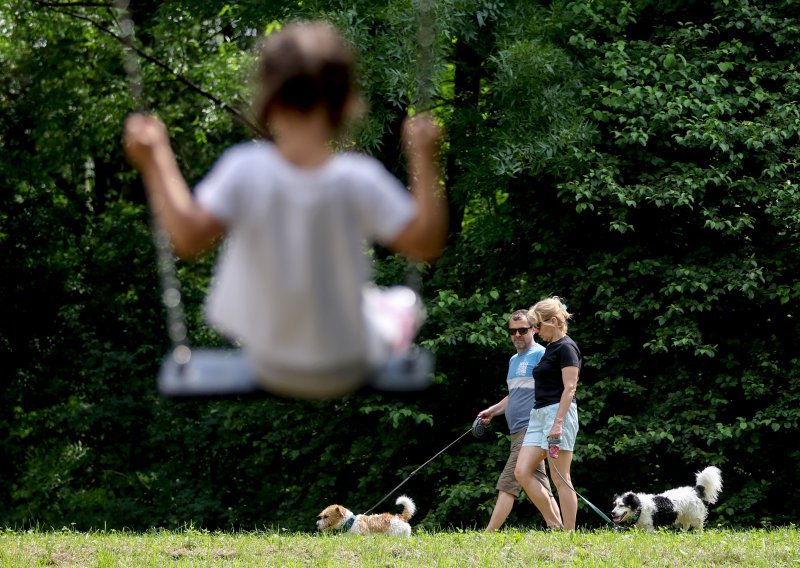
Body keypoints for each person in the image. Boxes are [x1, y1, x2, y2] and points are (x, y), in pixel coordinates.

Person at [123, 21, 447, 399]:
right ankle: (387, 316)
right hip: (349, 362)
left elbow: (189, 238)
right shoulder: (358, 179)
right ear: (345, 104)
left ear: (268, 100)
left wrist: (156, 159)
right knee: (400, 303)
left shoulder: (244, 169)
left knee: (372, 305)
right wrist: (424, 158)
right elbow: (425, 244)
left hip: (271, 363)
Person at [476, 310, 562, 531]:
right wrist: (492, 411)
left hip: (532, 427)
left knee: (509, 482)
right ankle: (560, 530)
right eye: (513, 331)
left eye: (522, 330)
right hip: (517, 430)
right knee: (541, 484)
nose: (517, 335)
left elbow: (558, 388)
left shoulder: (542, 354)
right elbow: (514, 394)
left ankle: (488, 534)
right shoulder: (514, 360)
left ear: (534, 329)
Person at [514, 296, 581, 530]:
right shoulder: (551, 348)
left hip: (557, 415)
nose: (535, 330)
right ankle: (555, 525)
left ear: (554, 320)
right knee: (521, 471)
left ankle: (569, 533)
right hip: (539, 415)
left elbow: (570, 387)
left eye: (538, 325)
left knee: (560, 478)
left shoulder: (567, 348)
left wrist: (558, 423)